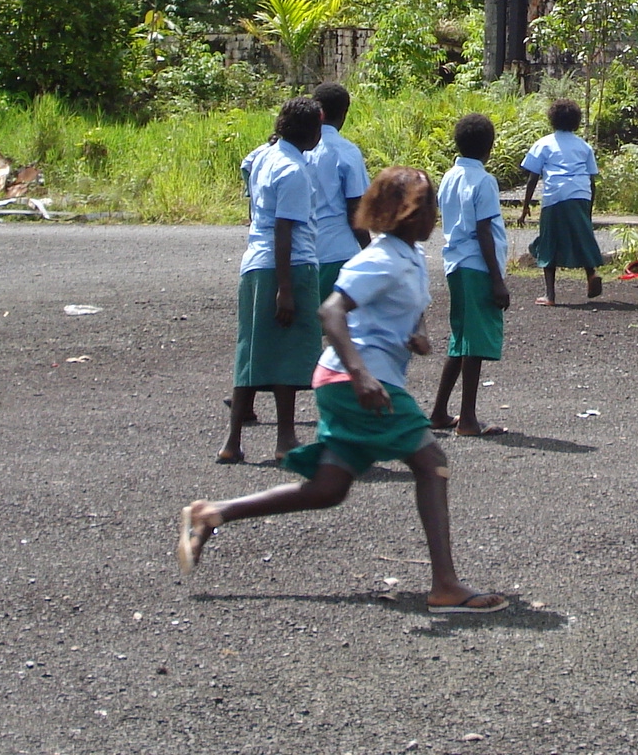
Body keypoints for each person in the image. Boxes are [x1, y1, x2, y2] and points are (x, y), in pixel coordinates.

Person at [177, 166, 510, 615]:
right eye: (428, 204)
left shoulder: (408, 256)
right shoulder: (380, 256)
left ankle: (212, 513)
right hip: (353, 382)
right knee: (431, 462)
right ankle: (445, 585)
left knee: (328, 489)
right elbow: (331, 312)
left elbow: (405, 306)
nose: (435, 212)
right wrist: (361, 375)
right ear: (408, 213)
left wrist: (418, 333)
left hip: (356, 381)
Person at [219, 97, 328, 465]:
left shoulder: (265, 156)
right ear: (311, 131)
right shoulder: (294, 171)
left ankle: (233, 440)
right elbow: (286, 230)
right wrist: (285, 289)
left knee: (250, 350)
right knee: (288, 352)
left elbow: (245, 164)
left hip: (254, 263)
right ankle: (285, 437)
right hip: (289, 265)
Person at [432, 113, 511, 436]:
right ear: (489, 148)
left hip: (455, 264)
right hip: (477, 266)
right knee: (475, 343)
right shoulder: (484, 181)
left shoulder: (450, 176)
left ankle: (439, 412)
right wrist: (497, 280)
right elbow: (484, 230)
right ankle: (468, 419)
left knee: (461, 340)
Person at [519, 99, 602, 305]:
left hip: (556, 196)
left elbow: (532, 178)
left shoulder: (543, 144)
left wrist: (525, 206)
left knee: (549, 241)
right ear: (576, 121)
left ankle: (550, 295)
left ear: (552, 120)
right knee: (582, 236)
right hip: (581, 194)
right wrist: (588, 209)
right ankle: (591, 274)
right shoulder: (584, 146)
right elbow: (592, 181)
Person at [308, 81, 370, 296]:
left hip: (302, 251)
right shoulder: (347, 152)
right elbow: (355, 209)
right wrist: (369, 250)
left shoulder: (299, 147)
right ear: (344, 113)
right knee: (338, 324)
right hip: (338, 251)